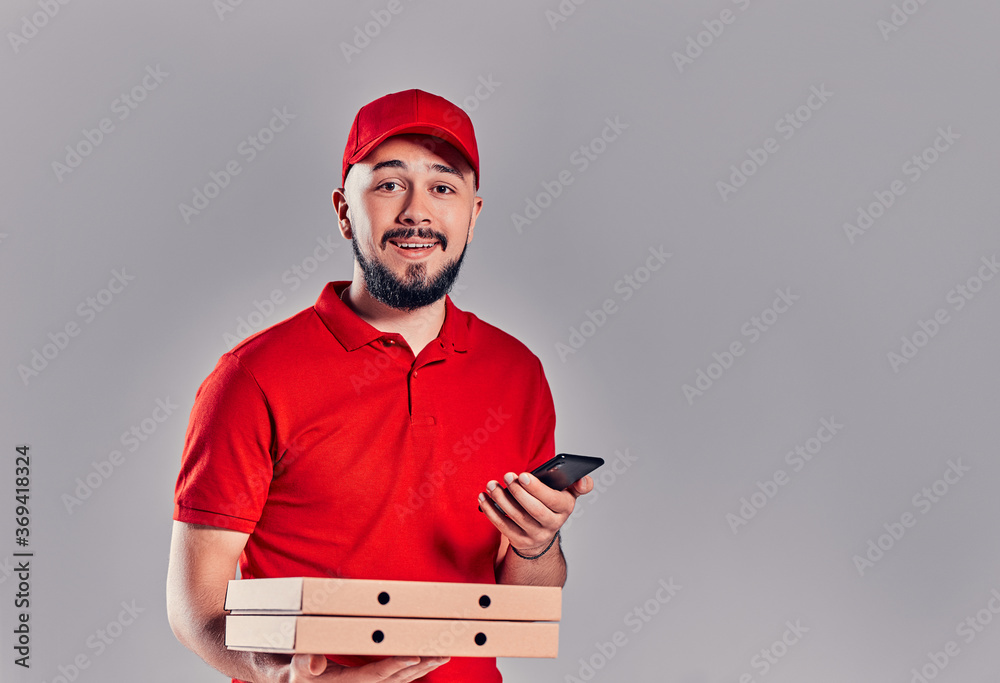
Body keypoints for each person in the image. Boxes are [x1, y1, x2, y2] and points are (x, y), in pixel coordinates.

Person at [166, 88, 594, 683]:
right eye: (389, 184)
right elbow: (195, 607)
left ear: (472, 216)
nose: (417, 211)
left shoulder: (516, 372)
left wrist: (536, 543)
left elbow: (529, 602)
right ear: (344, 210)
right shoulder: (253, 377)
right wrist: (284, 679)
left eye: (443, 187)